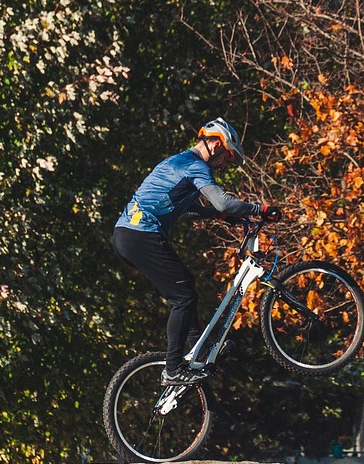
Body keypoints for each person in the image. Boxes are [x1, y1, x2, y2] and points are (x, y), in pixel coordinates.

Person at [112, 118, 279, 386]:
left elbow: (186, 208)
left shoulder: (177, 163)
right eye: (226, 155)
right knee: (184, 296)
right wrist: (261, 210)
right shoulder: (195, 165)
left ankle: (196, 349)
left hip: (128, 236)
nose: (224, 163)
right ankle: (173, 367)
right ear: (214, 144)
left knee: (185, 289)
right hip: (140, 235)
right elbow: (224, 200)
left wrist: (222, 217)